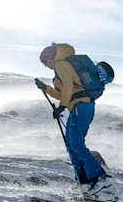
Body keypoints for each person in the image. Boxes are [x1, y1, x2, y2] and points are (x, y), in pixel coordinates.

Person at [35, 42, 109, 192]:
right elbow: (64, 93)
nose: (45, 66)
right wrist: (46, 88)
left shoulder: (61, 64)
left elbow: (68, 86)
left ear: (50, 58)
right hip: (79, 107)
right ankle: (83, 179)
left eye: (45, 62)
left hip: (81, 106)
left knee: (76, 143)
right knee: (70, 144)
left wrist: (61, 107)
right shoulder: (61, 69)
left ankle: (98, 176)